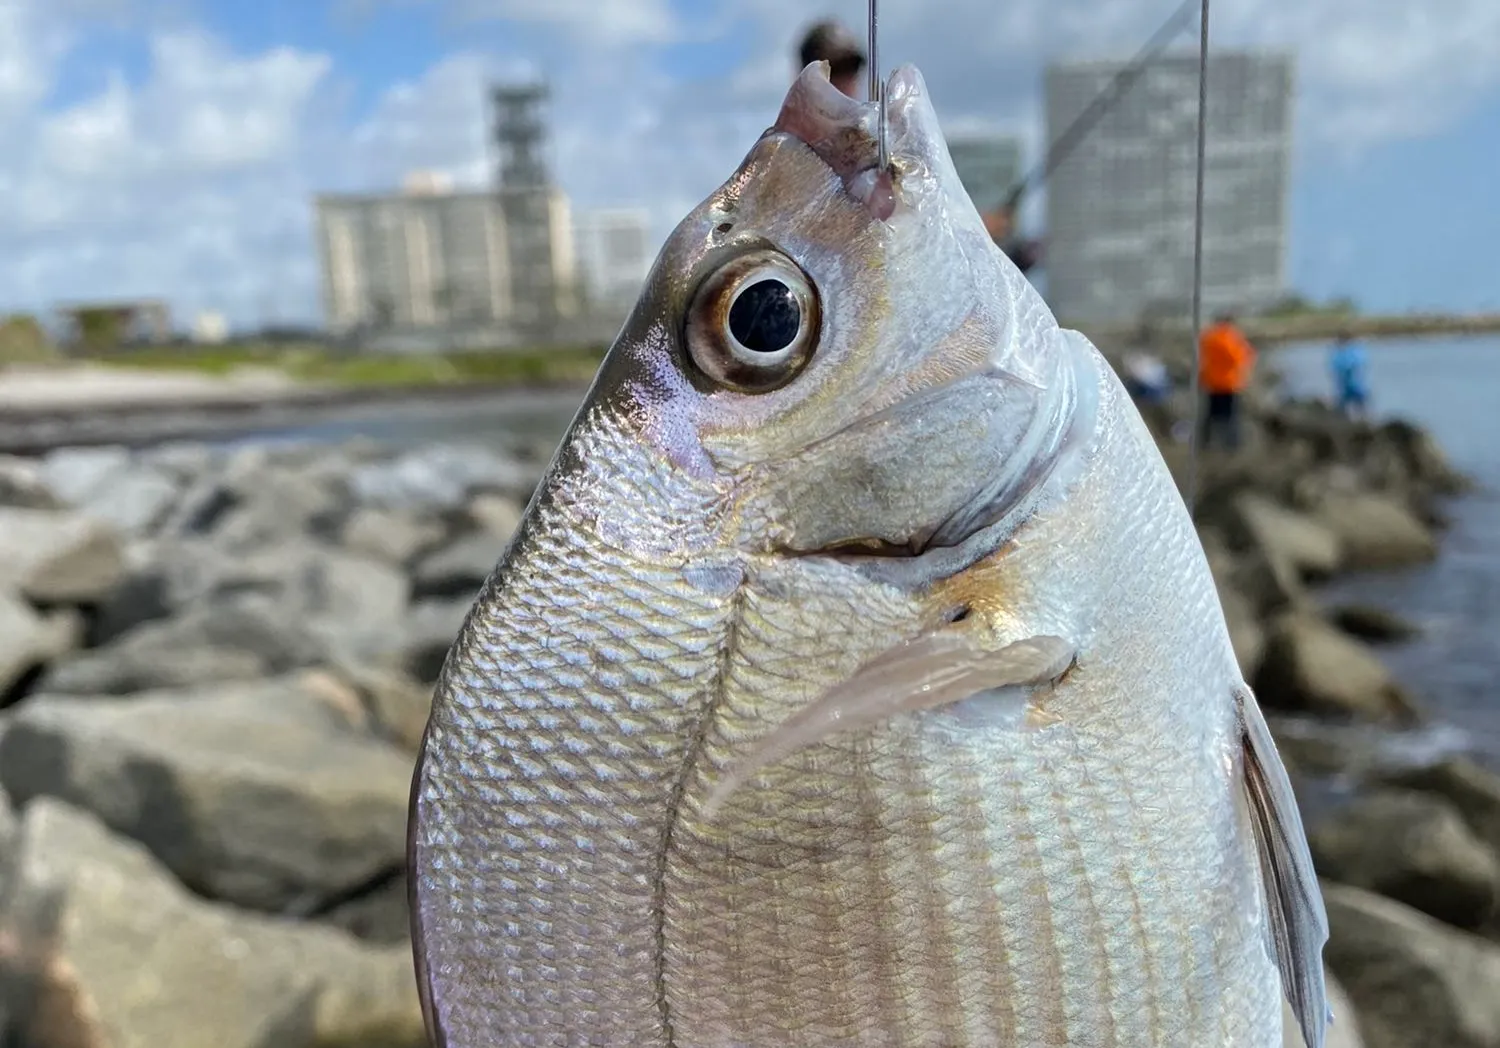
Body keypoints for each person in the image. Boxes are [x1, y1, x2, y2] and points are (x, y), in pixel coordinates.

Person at [793, 19, 1040, 274]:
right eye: (834, 67)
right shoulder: (793, 154)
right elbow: (834, 230)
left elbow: (908, 215)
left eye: (852, 67)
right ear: (807, 74)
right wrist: (974, 231)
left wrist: (972, 228)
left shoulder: (875, 141)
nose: (846, 79)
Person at [1197, 310, 1257, 451]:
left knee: (1211, 413)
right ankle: (1231, 445)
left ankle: (1205, 442)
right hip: (1228, 383)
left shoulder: (1208, 337)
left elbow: (1203, 356)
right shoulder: (1229, 337)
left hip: (1212, 381)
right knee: (1230, 416)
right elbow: (1238, 358)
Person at [1329, 331, 1370, 419]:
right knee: (1343, 408)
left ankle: (1364, 422)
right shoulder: (1339, 353)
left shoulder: (1353, 351)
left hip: (1354, 385)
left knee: (1360, 407)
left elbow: (1357, 364)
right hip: (1345, 387)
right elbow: (1335, 368)